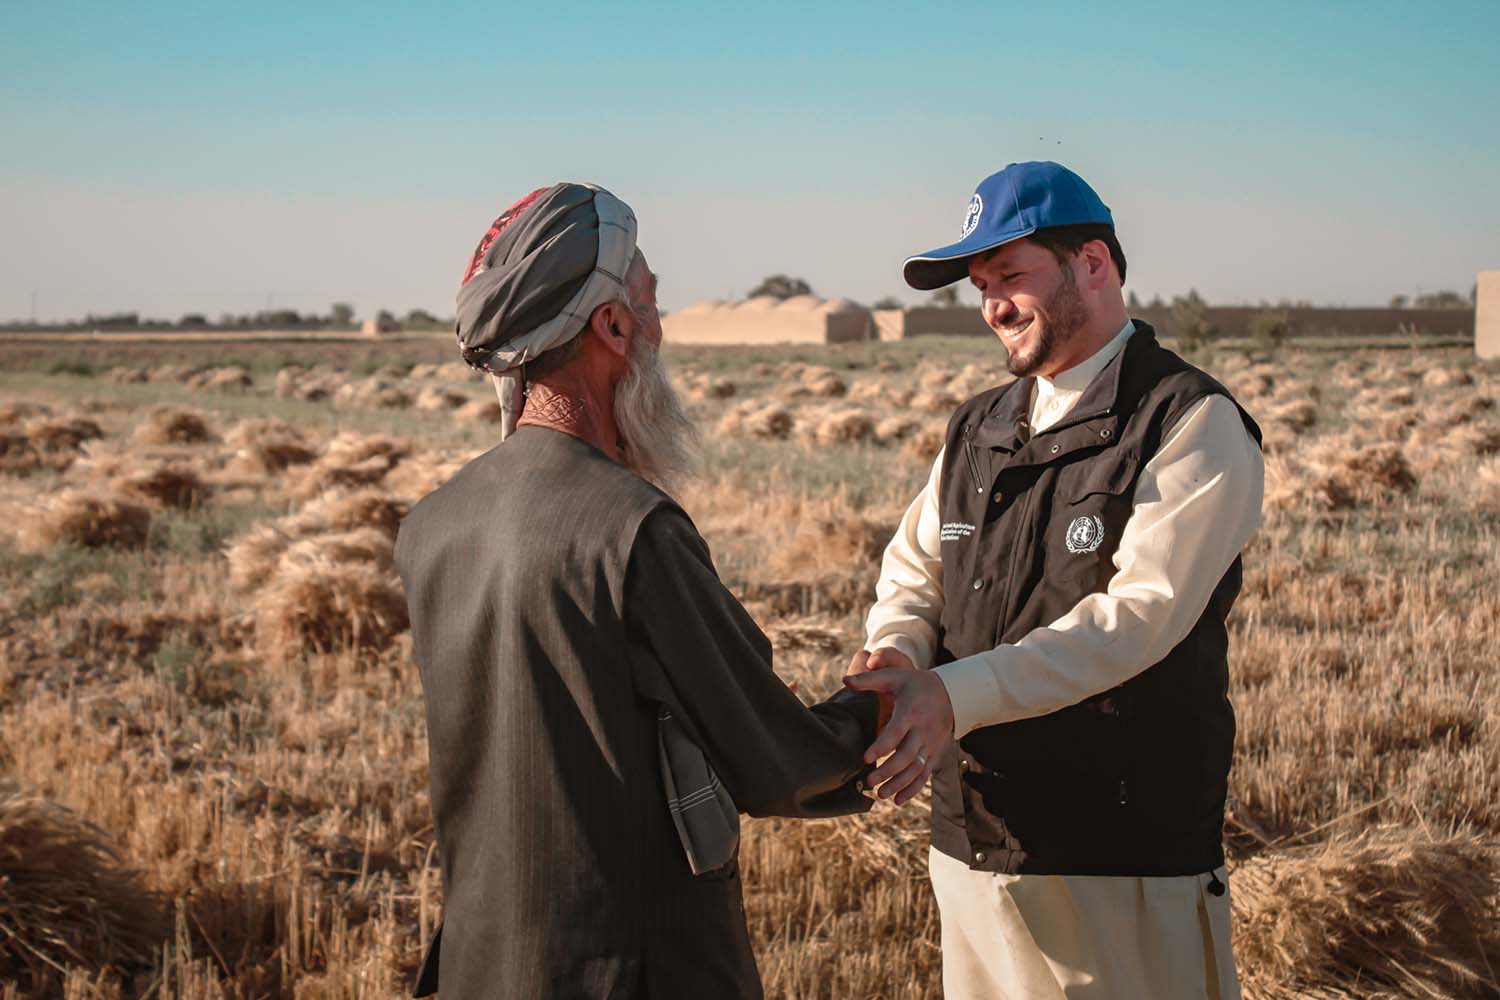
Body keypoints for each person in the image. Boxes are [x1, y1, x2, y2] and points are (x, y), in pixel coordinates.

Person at [395, 182, 881, 1000]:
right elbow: (772, 758)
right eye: (650, 307)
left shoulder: (432, 524)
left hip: (481, 966)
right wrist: (882, 710)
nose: (660, 332)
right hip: (628, 971)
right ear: (613, 327)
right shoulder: (632, 529)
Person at [844, 161, 1264, 999]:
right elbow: (916, 568)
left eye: (1011, 276)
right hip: (973, 844)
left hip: (1118, 857)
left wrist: (954, 694)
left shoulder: (1190, 421)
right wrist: (895, 650)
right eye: (979, 285)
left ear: (1095, 265)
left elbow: (1138, 619)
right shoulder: (979, 425)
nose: (993, 305)